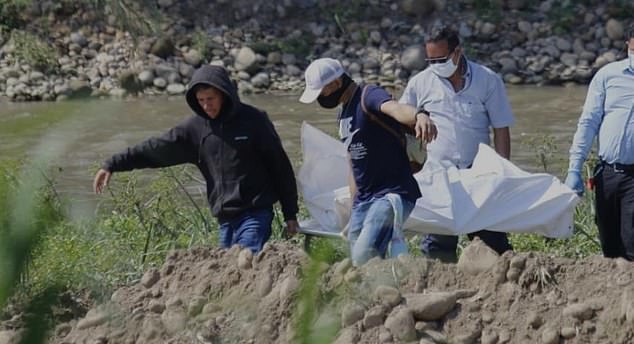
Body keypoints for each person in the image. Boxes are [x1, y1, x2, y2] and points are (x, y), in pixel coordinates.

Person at [93, 65, 299, 254]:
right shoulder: (194, 129)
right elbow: (154, 148)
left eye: (211, 99)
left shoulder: (254, 120)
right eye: (201, 101)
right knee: (228, 272)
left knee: (245, 262)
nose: (206, 106)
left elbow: (280, 166)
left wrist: (290, 212)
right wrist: (113, 164)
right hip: (225, 219)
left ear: (224, 95)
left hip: (255, 214)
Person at [299, 57, 437, 266]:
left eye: (321, 92)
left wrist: (419, 115)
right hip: (364, 200)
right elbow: (354, 166)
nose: (321, 99)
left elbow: (395, 109)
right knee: (358, 261)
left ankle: (391, 292)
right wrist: (354, 211)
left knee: (365, 254)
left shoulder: (368, 95)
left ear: (336, 83)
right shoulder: (343, 115)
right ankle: (380, 294)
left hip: (391, 193)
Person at [399, 26, 515, 262]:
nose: (435, 65)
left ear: (458, 52)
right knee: (438, 247)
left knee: (492, 244)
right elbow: (400, 116)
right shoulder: (420, 83)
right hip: (438, 176)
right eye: (430, 60)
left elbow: (501, 129)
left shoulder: (487, 80)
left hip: (480, 175)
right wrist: (418, 115)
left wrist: (504, 174)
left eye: (440, 59)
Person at [565, 24, 634, 261]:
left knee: (631, 243)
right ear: (628, 44)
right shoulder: (608, 76)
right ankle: (613, 296)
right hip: (607, 174)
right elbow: (588, 123)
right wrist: (574, 167)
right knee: (609, 246)